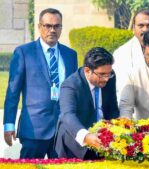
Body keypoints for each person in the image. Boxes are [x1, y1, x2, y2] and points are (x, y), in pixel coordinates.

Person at [3, 8, 78, 159]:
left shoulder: (70, 55)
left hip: (63, 130)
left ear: (61, 28)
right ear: (39, 27)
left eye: (56, 26)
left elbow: (75, 92)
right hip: (33, 129)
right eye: (47, 26)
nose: (52, 30)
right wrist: (8, 124)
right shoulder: (24, 52)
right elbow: (12, 92)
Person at [55, 47, 119, 160]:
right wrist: (86, 136)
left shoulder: (109, 77)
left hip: (102, 139)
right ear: (87, 70)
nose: (106, 79)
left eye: (109, 74)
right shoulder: (70, 85)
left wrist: (116, 129)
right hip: (74, 142)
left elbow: (113, 108)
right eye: (102, 74)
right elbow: (68, 115)